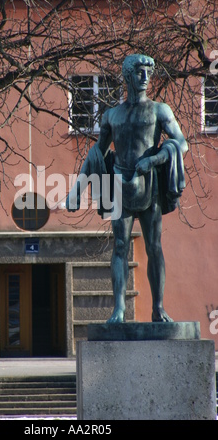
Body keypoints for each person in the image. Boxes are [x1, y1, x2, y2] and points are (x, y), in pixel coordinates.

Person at [66, 54, 188, 323]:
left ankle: (158, 308)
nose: (145, 77)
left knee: (154, 246)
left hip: (150, 185)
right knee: (120, 246)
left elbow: (181, 142)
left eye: (148, 72)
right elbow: (96, 154)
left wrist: (155, 159)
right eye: (140, 72)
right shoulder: (112, 115)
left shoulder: (160, 110)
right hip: (119, 184)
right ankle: (119, 309)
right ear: (128, 75)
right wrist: (78, 188)